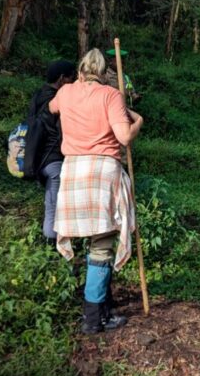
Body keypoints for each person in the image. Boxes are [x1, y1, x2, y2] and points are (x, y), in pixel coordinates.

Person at [49, 48, 144, 335]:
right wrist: (137, 120)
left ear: (80, 70)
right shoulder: (110, 95)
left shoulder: (65, 93)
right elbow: (124, 136)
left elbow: (53, 107)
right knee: (101, 246)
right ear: (103, 73)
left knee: (91, 243)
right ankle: (93, 318)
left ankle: (101, 305)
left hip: (74, 171)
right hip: (101, 172)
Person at [26, 60, 76, 245]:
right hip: (54, 159)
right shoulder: (57, 100)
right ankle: (51, 249)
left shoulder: (38, 95)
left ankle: (53, 244)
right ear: (63, 79)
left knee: (51, 203)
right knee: (54, 208)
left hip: (38, 158)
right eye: (72, 78)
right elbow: (63, 132)